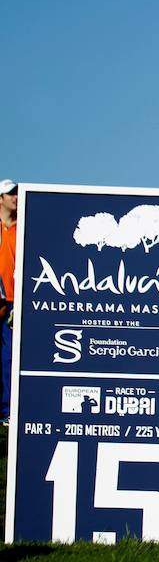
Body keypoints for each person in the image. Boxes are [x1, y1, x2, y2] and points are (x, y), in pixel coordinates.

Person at [0, 179, 17, 423]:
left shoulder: (24, 226)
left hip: (14, 302)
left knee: (9, 357)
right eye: (10, 194)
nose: (15, 197)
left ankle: (6, 412)